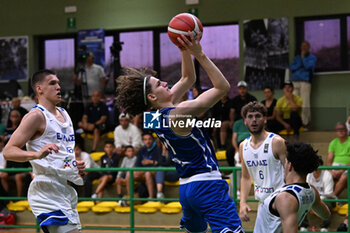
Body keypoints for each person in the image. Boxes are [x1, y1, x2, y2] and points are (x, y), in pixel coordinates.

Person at [116, 31, 243, 233]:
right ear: (152, 96)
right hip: (207, 184)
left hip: (187, 188)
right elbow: (222, 87)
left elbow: (188, 77)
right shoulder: (179, 113)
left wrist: (183, 48)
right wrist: (199, 53)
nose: (166, 83)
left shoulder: (154, 116)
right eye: (159, 84)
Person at [3, 69, 85, 233]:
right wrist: (37, 154)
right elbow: (8, 151)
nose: (58, 87)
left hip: (63, 189)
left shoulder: (64, 115)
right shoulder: (35, 116)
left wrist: (72, 165)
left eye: (58, 83)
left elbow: (59, 155)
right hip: (45, 190)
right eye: (52, 83)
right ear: (39, 89)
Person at [254, 142, 331, 233]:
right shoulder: (312, 191)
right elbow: (326, 214)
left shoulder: (286, 198)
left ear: (290, 165)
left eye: (285, 162)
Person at [239, 101, 287, 229]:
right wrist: (243, 202)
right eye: (250, 116)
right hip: (263, 204)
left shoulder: (277, 142)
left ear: (265, 119)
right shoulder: (243, 146)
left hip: (281, 203)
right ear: (245, 121)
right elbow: (245, 177)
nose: (254, 120)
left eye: (258, 116)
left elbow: (291, 172)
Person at [299, 158, 334, 232]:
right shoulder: (308, 174)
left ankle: (325, 227)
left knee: (328, 203)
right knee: (301, 201)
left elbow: (328, 194)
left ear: (321, 166)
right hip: (311, 198)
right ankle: (304, 226)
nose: (316, 169)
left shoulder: (327, 175)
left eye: (317, 166)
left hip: (325, 199)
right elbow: (305, 189)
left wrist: (316, 199)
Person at [290, 41, 317, 127]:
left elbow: (308, 66)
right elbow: (292, 67)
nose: (303, 48)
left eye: (305, 46)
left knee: (305, 103)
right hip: (295, 81)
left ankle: (305, 122)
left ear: (308, 48)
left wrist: (303, 58)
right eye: (302, 46)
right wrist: (300, 61)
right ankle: (296, 123)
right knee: (295, 102)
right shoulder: (296, 57)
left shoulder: (312, 57)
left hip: (305, 82)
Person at [129, 132, 161, 200]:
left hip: (154, 172)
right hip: (143, 172)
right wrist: (139, 172)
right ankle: (130, 196)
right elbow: (138, 165)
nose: (147, 141)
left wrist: (150, 162)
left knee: (147, 174)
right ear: (143, 141)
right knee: (129, 174)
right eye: (145, 140)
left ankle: (151, 198)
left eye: (149, 139)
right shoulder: (142, 150)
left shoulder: (157, 149)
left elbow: (160, 163)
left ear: (152, 140)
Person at [326, 122, 350, 198]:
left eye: (342, 129)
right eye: (338, 129)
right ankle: (323, 198)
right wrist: (331, 171)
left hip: (347, 166)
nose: (340, 131)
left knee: (344, 177)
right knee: (326, 175)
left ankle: (332, 199)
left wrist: (341, 170)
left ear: (346, 130)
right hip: (335, 165)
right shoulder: (333, 142)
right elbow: (329, 159)